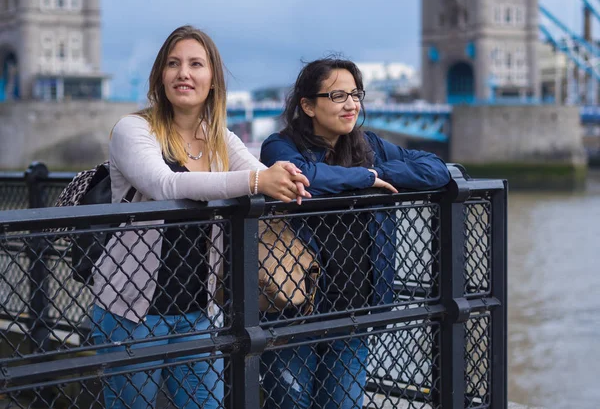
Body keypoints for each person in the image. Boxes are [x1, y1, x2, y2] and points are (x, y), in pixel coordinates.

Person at [90, 25, 310, 409]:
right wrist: (258, 178)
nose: (183, 73)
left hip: (198, 311)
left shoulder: (219, 138)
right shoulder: (133, 129)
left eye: (196, 64)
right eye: (173, 64)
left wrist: (287, 178)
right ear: (161, 76)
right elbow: (166, 185)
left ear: (213, 80)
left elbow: (259, 176)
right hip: (132, 311)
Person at [259, 57, 451, 409]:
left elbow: (436, 170)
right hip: (294, 310)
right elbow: (304, 177)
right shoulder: (279, 146)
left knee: (343, 404)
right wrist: (365, 180)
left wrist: (375, 170)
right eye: (337, 96)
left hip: (355, 309)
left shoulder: (371, 146)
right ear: (307, 105)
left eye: (355, 94)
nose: (351, 105)